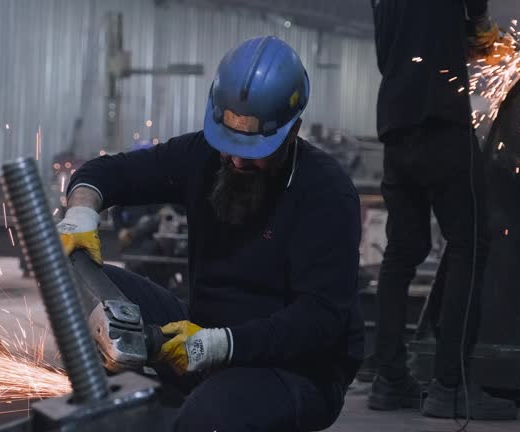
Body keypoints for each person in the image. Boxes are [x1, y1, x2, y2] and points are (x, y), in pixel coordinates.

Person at [56, 36, 364, 431]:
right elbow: (104, 173)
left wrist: (218, 345)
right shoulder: (201, 156)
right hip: (200, 338)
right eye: (228, 144)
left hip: (293, 368)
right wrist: (81, 211)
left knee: (206, 420)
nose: (236, 159)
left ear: (293, 131)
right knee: (74, 281)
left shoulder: (325, 193)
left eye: (253, 150)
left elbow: (320, 322)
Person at [368, 0, 517, 419]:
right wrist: (479, 31)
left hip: (396, 124)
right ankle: (451, 386)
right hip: (441, 122)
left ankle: (389, 380)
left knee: (401, 252)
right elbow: (476, 17)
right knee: (470, 244)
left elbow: (392, 51)